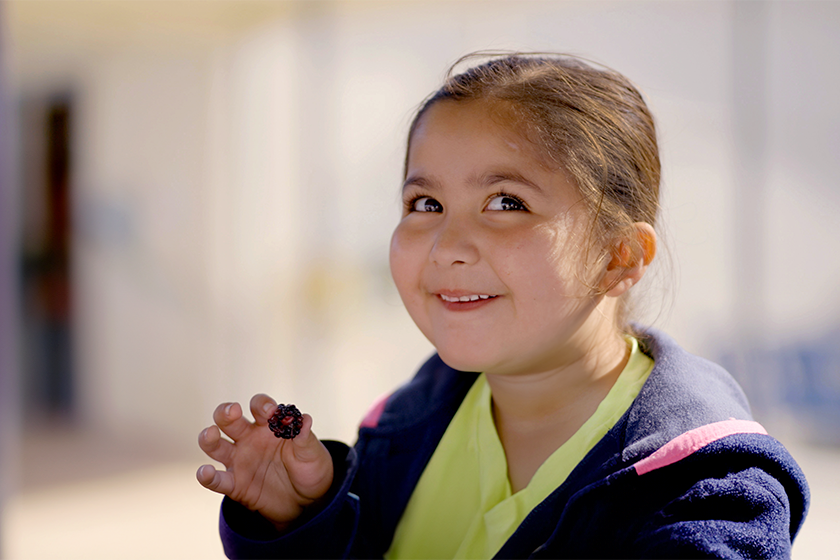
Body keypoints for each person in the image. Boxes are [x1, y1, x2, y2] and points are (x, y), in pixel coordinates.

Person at [196, 53, 809, 559]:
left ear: (619, 256)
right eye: (425, 204)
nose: (448, 246)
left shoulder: (708, 497)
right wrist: (305, 520)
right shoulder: (406, 426)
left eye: (506, 202)